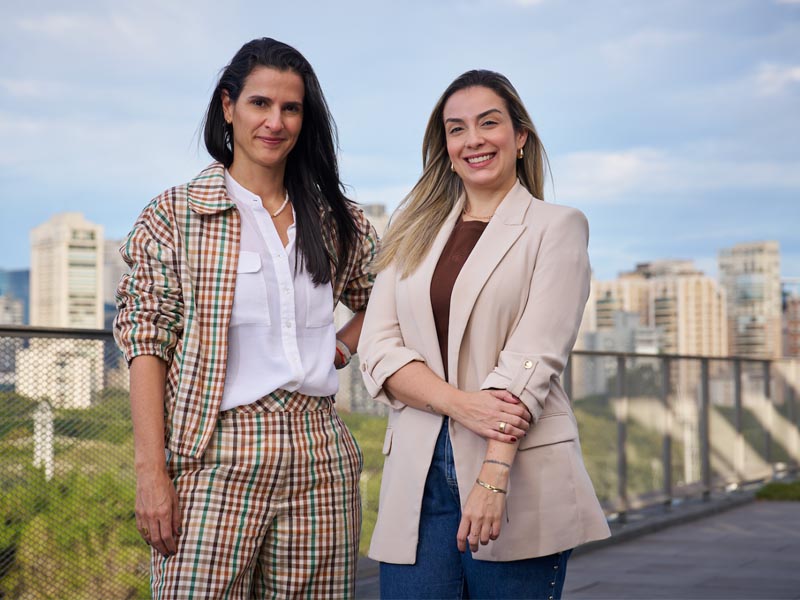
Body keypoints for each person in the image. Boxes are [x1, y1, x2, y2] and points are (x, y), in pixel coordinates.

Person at [114, 37, 378, 598]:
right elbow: (146, 341)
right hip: (214, 454)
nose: (275, 122)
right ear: (228, 106)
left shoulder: (335, 219)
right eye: (260, 104)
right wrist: (151, 472)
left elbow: (386, 296)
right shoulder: (177, 215)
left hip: (318, 454)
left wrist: (340, 346)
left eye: (291, 108)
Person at [357, 70, 611, 599]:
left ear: (520, 137)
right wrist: (459, 405)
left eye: (488, 123)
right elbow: (378, 349)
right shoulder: (411, 232)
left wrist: (493, 477)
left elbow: (532, 361)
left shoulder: (556, 227)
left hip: (515, 468)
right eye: (457, 129)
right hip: (418, 475)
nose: (473, 139)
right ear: (445, 146)